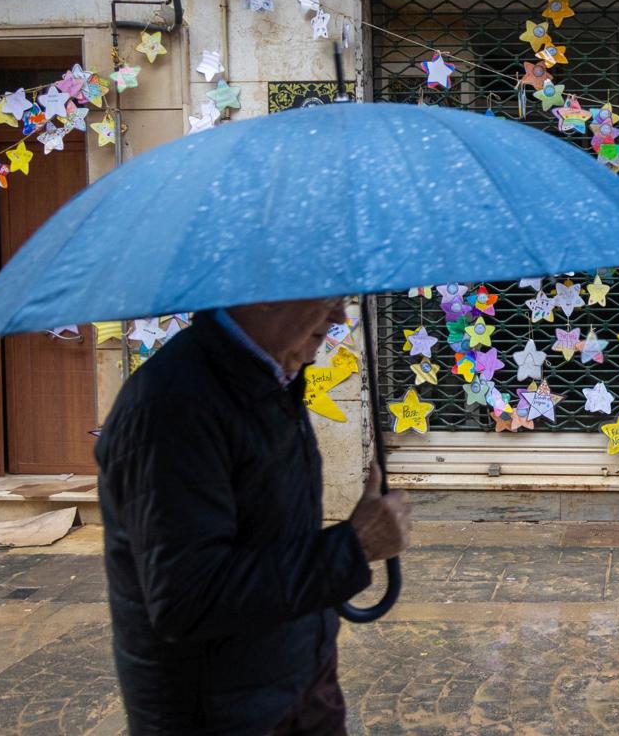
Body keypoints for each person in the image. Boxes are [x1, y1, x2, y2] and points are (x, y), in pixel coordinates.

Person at [95, 299, 412, 735]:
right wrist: (352, 547)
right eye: (329, 297)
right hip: (222, 712)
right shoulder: (172, 406)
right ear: (265, 292)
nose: (340, 317)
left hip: (296, 684)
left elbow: (274, 539)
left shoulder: (271, 379)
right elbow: (188, 599)